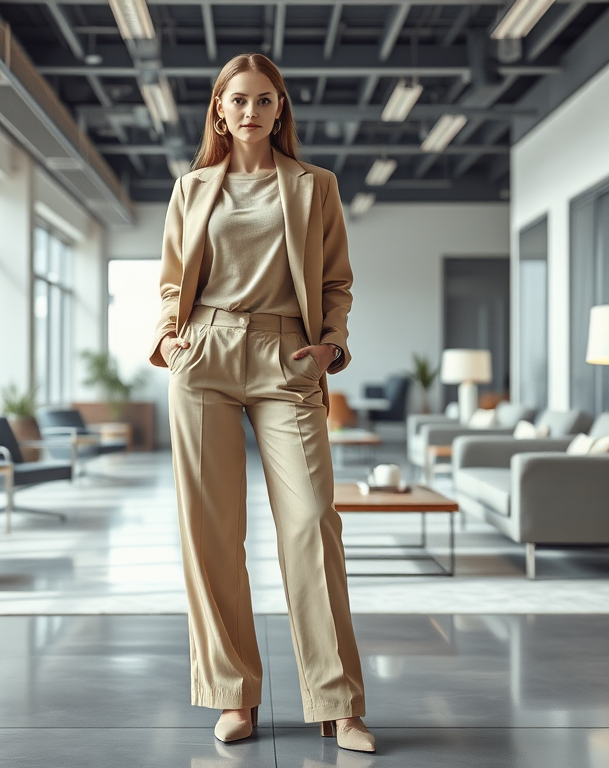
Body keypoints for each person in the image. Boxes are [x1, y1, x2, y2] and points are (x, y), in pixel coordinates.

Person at [149, 53, 374, 754]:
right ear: (219, 109)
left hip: (286, 357)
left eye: (264, 100)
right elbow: (169, 283)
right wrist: (170, 339)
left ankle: (339, 704)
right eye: (237, 100)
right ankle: (231, 695)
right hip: (206, 355)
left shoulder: (315, 187)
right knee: (211, 534)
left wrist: (331, 346)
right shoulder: (191, 190)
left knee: (311, 523)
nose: (250, 111)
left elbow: (336, 281)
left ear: (281, 110)